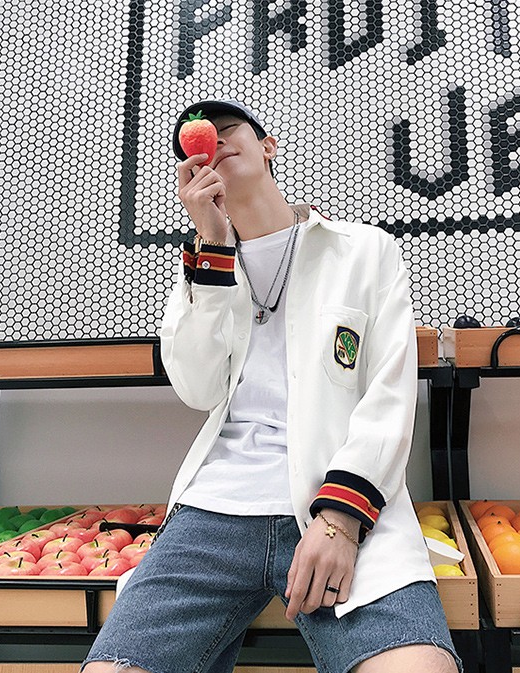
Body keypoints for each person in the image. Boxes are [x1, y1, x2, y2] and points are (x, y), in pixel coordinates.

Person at [81, 100, 461, 673]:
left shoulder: (362, 250)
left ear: (268, 147)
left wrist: (340, 520)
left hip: (338, 500)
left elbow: (389, 394)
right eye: (198, 141)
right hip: (214, 509)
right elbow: (198, 388)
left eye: (228, 129)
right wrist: (211, 246)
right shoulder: (203, 268)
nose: (214, 141)